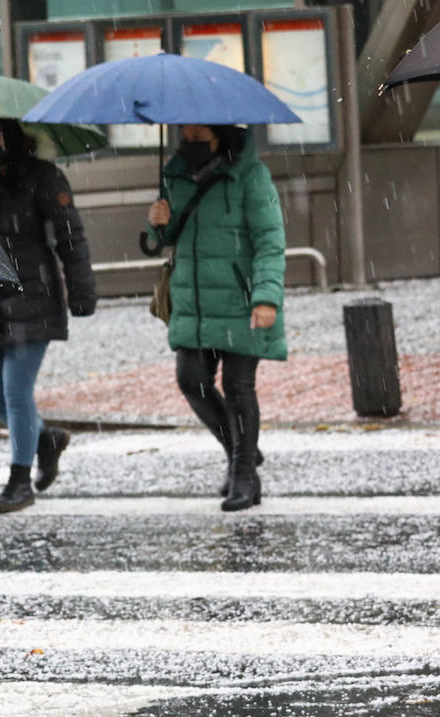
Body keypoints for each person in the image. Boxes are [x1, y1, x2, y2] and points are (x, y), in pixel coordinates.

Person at [0, 118, 96, 514]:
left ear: (10, 139)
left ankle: (20, 478)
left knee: (16, 393)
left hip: (32, 291)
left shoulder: (42, 176)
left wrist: (81, 291)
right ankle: (44, 438)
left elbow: (71, 235)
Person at [146, 125, 287, 512]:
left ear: (220, 134)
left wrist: (266, 297)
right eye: (186, 135)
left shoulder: (251, 175)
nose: (190, 141)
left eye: (200, 135)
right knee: (191, 379)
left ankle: (243, 472)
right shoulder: (174, 173)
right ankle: (239, 450)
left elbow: (271, 242)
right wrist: (157, 223)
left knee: (239, 386)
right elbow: (172, 235)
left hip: (242, 300)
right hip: (193, 300)